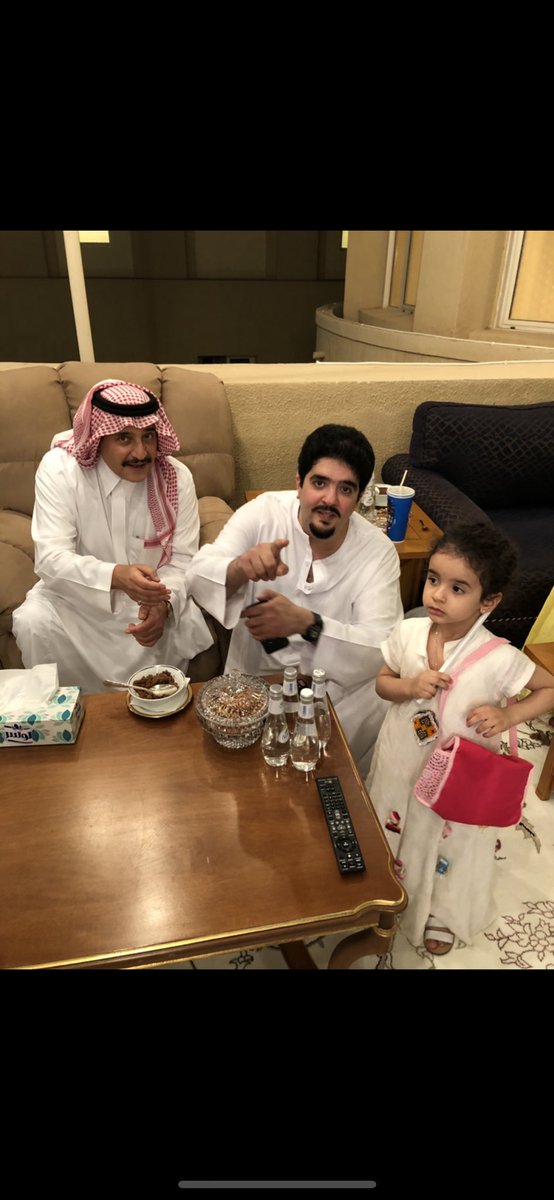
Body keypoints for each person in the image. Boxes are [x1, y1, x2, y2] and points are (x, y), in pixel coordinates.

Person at [366, 521, 554, 956]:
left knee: (450, 842)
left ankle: (441, 910)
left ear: (488, 601)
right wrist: (410, 686)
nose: (437, 595)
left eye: (457, 588)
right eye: (433, 579)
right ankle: (388, 887)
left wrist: (509, 713)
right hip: (401, 760)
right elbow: (382, 683)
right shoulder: (408, 633)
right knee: (394, 821)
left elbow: (548, 689)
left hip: (460, 778)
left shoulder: (500, 658)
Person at [186, 423, 404, 773]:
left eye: (345, 489)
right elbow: (197, 575)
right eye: (319, 483)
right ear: (299, 482)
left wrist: (307, 624)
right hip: (255, 682)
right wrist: (240, 568)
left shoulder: (377, 552)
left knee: (328, 776)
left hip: (337, 694)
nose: (329, 499)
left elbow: (382, 648)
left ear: (360, 496)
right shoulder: (264, 514)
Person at [12, 379, 213, 692]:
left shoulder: (175, 477)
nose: (141, 452)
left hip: (147, 603)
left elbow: (183, 560)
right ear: (98, 438)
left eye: (149, 436)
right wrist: (117, 576)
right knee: (33, 620)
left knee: (173, 626)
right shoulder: (61, 470)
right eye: (124, 438)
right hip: (78, 600)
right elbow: (51, 559)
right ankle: (68, 710)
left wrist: (163, 606)